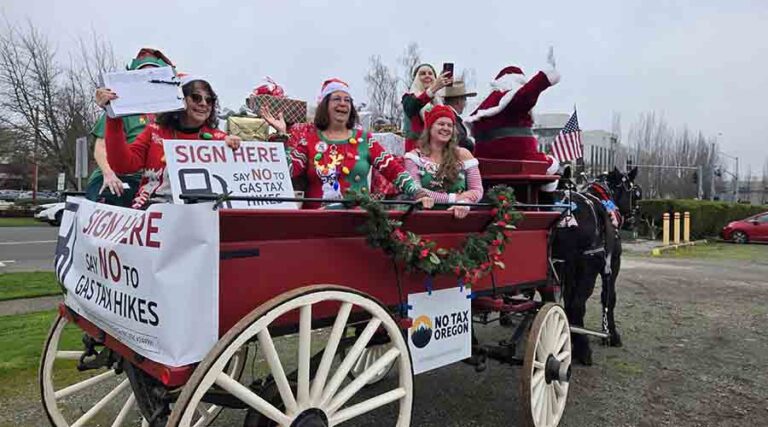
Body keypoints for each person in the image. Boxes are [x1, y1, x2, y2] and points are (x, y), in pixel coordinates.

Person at [262, 78, 430, 209]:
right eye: (336, 99)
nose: (343, 103)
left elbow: (393, 170)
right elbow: (287, 171)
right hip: (315, 226)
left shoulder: (365, 140)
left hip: (359, 225)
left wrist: (417, 192)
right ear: (325, 105)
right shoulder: (309, 141)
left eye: (347, 100)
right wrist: (282, 135)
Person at [97, 76, 241, 209]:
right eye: (196, 98)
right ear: (180, 99)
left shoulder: (219, 139)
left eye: (209, 100)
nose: (203, 104)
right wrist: (113, 118)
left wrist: (233, 147)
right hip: (153, 207)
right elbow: (122, 165)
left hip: (203, 213)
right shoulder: (154, 132)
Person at [86, 47, 174, 206]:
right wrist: (109, 174)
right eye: (142, 76)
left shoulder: (172, 113)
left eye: (154, 75)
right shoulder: (120, 107)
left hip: (155, 179)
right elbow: (101, 146)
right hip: (120, 176)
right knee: (116, 199)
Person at [465, 48, 560, 190]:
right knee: (552, 165)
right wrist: (544, 77)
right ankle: (547, 203)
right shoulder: (512, 99)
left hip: (485, 161)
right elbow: (526, 95)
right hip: (518, 159)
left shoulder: (484, 105)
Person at [404, 105, 483, 219]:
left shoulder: (464, 154)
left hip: (458, 219)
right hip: (425, 218)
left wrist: (464, 204)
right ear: (430, 128)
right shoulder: (414, 156)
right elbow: (415, 190)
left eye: (450, 125)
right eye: (441, 124)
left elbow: (477, 190)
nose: (446, 128)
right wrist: (454, 198)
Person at [401, 64, 453, 152]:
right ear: (416, 78)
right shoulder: (409, 98)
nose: (427, 76)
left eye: (430, 73)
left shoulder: (439, 102)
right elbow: (412, 108)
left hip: (437, 150)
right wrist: (433, 89)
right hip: (416, 150)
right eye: (423, 73)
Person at [442, 80, 477, 152]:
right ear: (458, 101)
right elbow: (461, 141)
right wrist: (473, 142)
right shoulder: (450, 116)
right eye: (465, 100)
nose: (465, 104)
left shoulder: (446, 114)